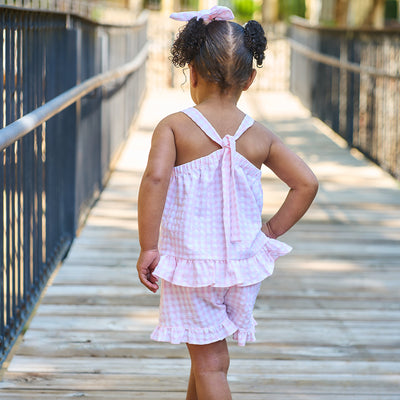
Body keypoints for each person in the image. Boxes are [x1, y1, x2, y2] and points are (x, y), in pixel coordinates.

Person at [136, 6, 318, 400]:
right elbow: (305, 183)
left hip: (192, 265)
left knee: (210, 361)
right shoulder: (259, 135)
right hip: (242, 264)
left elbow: (154, 179)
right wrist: (267, 232)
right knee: (210, 353)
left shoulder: (174, 127)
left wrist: (149, 246)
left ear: (193, 72)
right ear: (250, 80)